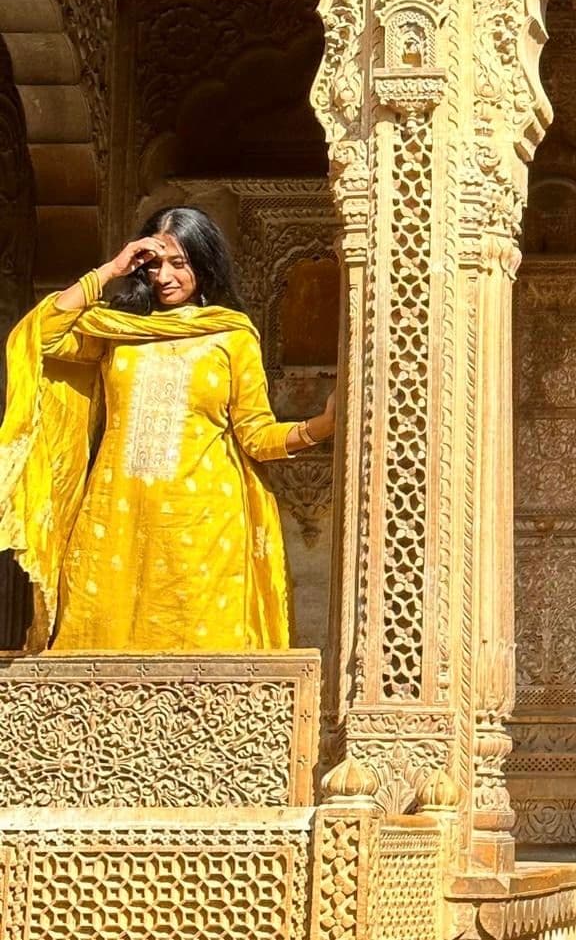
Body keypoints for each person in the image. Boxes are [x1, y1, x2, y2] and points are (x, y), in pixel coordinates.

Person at [0, 206, 336, 653]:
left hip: (204, 530)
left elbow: (256, 436)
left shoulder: (231, 335)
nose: (165, 276)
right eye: (154, 263)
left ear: (204, 263)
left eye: (180, 263)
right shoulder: (118, 330)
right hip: (114, 520)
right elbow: (44, 335)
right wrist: (113, 269)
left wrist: (322, 426)